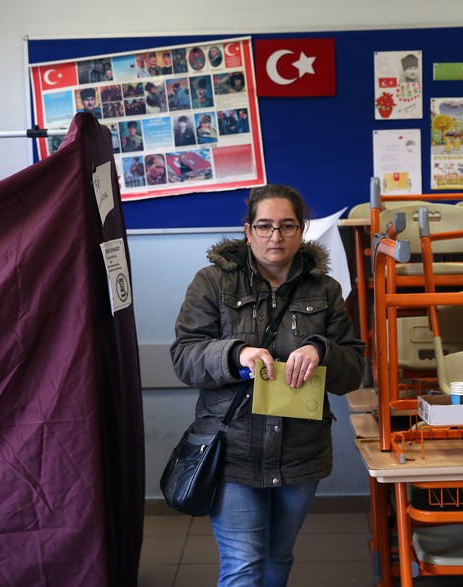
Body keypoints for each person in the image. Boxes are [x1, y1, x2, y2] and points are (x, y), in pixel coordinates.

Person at [170, 184, 365, 587]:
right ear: (247, 230)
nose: (275, 236)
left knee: (278, 557)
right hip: (232, 449)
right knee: (243, 565)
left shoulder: (325, 291)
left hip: (300, 451)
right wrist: (235, 354)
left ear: (302, 230)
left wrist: (321, 349)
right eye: (264, 226)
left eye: (287, 226)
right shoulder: (212, 283)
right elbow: (185, 357)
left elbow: (353, 372)